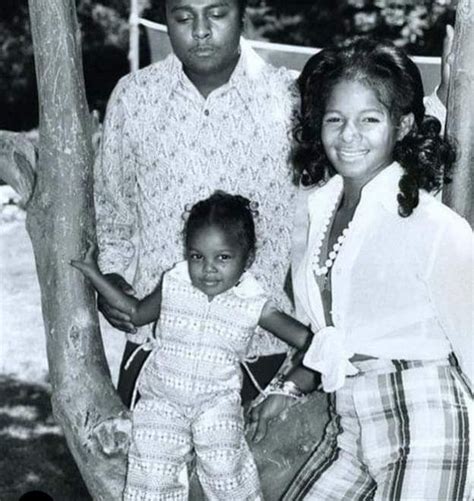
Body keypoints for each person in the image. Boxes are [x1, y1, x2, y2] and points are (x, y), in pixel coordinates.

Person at [95, 0, 452, 408]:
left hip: (265, 354)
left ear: (242, 15)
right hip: (158, 349)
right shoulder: (134, 97)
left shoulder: (290, 97)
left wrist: (443, 98)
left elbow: (373, 162)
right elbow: (112, 213)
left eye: (216, 14)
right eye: (182, 17)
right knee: (145, 468)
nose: (200, 30)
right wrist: (114, 281)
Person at [250, 38, 473, 500]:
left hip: (428, 420)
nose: (349, 135)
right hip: (351, 421)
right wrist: (288, 388)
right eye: (336, 119)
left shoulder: (433, 227)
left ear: (402, 125)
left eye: (369, 119)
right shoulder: (316, 212)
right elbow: (333, 336)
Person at [72, 192, 314, 500]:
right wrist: (94, 273)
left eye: (223, 257)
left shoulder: (255, 304)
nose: (208, 269)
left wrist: (289, 385)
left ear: (248, 259)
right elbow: (135, 312)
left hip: (216, 403)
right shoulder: (175, 283)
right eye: (197, 256)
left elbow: (312, 343)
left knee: (225, 466)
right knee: (152, 469)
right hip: (162, 399)